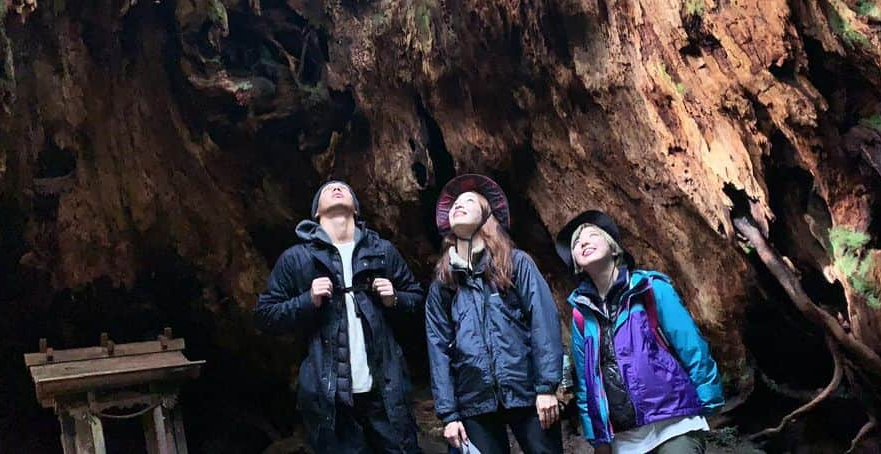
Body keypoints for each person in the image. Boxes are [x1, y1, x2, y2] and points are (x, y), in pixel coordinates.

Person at [254, 179, 423, 453]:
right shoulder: (297, 258)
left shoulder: (382, 251)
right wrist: (306, 300)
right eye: (327, 189)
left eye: (344, 187)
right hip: (329, 395)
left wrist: (396, 298)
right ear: (316, 212)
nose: (336, 188)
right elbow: (265, 315)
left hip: (385, 390)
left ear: (356, 209)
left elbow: (417, 299)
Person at [555, 209, 724, 454]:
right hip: (626, 440)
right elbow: (586, 382)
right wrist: (597, 437)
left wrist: (709, 399)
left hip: (673, 424)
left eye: (592, 235)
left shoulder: (650, 289)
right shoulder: (582, 315)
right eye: (577, 243)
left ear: (614, 249)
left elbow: (691, 345)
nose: (583, 242)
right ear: (576, 265)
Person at [425, 173, 564, 454]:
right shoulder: (444, 283)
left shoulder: (516, 263)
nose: (458, 206)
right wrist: (448, 415)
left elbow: (543, 322)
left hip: (527, 391)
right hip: (473, 399)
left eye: (468, 201)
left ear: (487, 215)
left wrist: (547, 386)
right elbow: (438, 349)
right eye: (454, 205)